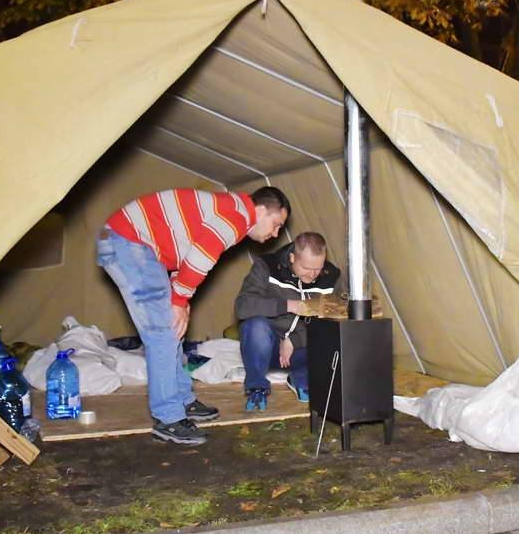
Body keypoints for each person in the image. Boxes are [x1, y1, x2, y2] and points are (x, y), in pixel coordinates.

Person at [97, 187, 290, 445]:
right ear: (262, 210)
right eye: (276, 224)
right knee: (163, 332)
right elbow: (200, 260)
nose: (275, 234)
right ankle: (168, 419)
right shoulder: (234, 217)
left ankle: (182, 400)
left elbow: (186, 254)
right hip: (128, 241)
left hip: (139, 245)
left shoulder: (232, 210)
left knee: (173, 327)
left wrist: (181, 301)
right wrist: (179, 300)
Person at [234, 231, 342, 410]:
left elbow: (334, 319)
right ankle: (257, 387)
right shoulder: (267, 267)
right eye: (307, 268)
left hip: (301, 349)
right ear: (292, 257)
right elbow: (243, 306)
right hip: (268, 348)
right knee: (255, 326)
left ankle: (301, 378)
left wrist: (295, 340)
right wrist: (287, 305)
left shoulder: (331, 277)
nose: (313, 275)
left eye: (318, 268)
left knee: (333, 333)